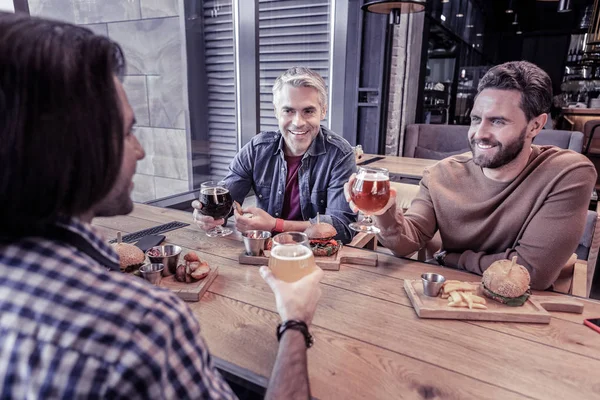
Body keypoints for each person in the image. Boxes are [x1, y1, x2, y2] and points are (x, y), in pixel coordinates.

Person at [0, 12, 323, 399]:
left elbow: (339, 223)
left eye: (308, 111)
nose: (140, 150)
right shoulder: (143, 324)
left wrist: (273, 225)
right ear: (66, 148)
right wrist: (295, 322)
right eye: (126, 132)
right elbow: (228, 193)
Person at [346, 61, 597, 290]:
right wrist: (385, 212)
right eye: (476, 119)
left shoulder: (568, 173)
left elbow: (531, 272)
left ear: (535, 125)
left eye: (498, 122)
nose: (480, 133)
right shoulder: (441, 174)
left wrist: (452, 258)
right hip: (447, 297)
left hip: (522, 307)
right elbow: (407, 243)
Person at [193, 67, 357, 243]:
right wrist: (208, 216)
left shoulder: (340, 155)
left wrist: (275, 225)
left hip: (315, 257)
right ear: (276, 112)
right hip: (263, 251)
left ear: (323, 111)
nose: (298, 122)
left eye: (308, 111)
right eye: (288, 111)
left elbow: (342, 227)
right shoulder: (257, 149)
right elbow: (226, 204)